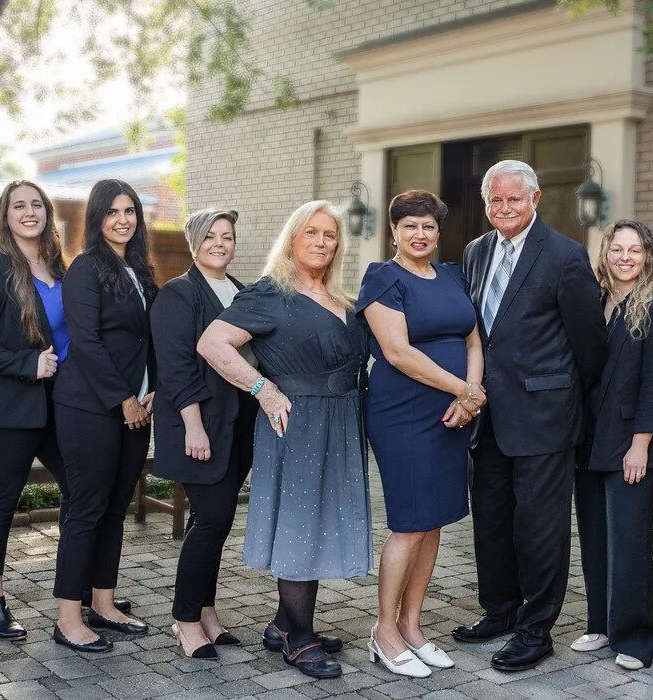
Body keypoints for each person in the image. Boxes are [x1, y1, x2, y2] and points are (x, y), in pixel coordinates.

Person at [198, 200, 371, 680]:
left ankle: (282, 624)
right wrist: (263, 389)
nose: (320, 242)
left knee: (317, 521)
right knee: (299, 523)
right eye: (311, 232)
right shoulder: (269, 293)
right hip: (294, 422)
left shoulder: (341, 297)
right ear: (292, 238)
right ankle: (298, 637)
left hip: (339, 420)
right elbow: (211, 343)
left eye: (330, 235)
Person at [452, 160, 606, 673]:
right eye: (494, 200)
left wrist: (565, 401)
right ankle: (499, 610)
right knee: (492, 521)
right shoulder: (475, 252)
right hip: (487, 414)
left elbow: (588, 343)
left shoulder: (565, 255)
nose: (503, 209)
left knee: (540, 526)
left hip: (544, 414)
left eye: (513, 199)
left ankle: (535, 630)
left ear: (535, 199)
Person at [357, 190, 483, 678]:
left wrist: (468, 394)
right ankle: (383, 630)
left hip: (453, 409)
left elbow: (473, 337)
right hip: (403, 412)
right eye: (410, 225)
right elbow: (398, 352)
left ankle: (412, 625)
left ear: (438, 232)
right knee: (409, 521)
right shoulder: (382, 278)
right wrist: (465, 391)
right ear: (394, 231)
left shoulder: (451, 275)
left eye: (428, 226)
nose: (420, 234)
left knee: (433, 521)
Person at [0, 180, 74, 639]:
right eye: (18, 206)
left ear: (48, 212)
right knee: (2, 499)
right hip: (7, 408)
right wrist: (27, 363)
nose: (29, 212)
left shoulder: (62, 269)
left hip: (62, 404)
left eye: (37, 205)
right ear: (5, 216)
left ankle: (75, 590)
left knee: (83, 493)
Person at [50, 179, 158, 653]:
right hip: (90, 407)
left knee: (115, 509)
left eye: (130, 210)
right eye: (112, 212)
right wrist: (124, 398)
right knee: (86, 510)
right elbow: (87, 342)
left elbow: (147, 341)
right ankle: (68, 617)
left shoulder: (139, 269)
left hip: (136, 406)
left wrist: (152, 390)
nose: (122, 219)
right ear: (96, 219)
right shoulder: (85, 269)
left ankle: (104, 603)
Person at [570, 220, 653, 671]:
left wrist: (640, 445)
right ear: (606, 254)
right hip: (588, 438)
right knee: (594, 534)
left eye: (635, 250)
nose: (625, 257)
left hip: (630, 441)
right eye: (617, 249)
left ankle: (635, 638)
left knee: (629, 542)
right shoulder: (594, 302)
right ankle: (600, 624)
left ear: (647, 256)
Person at [150, 208, 256, 660]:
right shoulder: (179, 294)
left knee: (215, 522)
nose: (219, 244)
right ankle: (185, 619)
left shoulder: (242, 292)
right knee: (211, 519)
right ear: (194, 242)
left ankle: (207, 612)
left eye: (227, 237)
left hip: (239, 425)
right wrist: (193, 425)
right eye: (210, 236)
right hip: (200, 426)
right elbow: (174, 368)